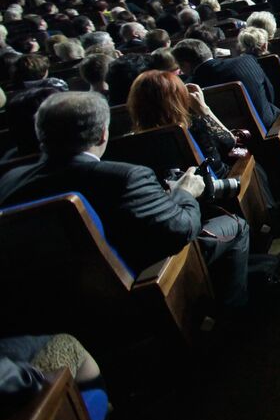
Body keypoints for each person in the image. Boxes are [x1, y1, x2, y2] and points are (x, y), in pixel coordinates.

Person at [0, 93, 250, 307]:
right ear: (102, 135)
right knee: (236, 225)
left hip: (46, 301)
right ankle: (233, 314)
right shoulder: (125, 176)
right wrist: (184, 193)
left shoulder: (9, 181)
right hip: (138, 285)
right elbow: (181, 230)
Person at [170, 39, 280, 131]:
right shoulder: (247, 61)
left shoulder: (191, 89)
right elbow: (270, 92)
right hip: (273, 125)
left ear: (185, 64)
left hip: (235, 141)